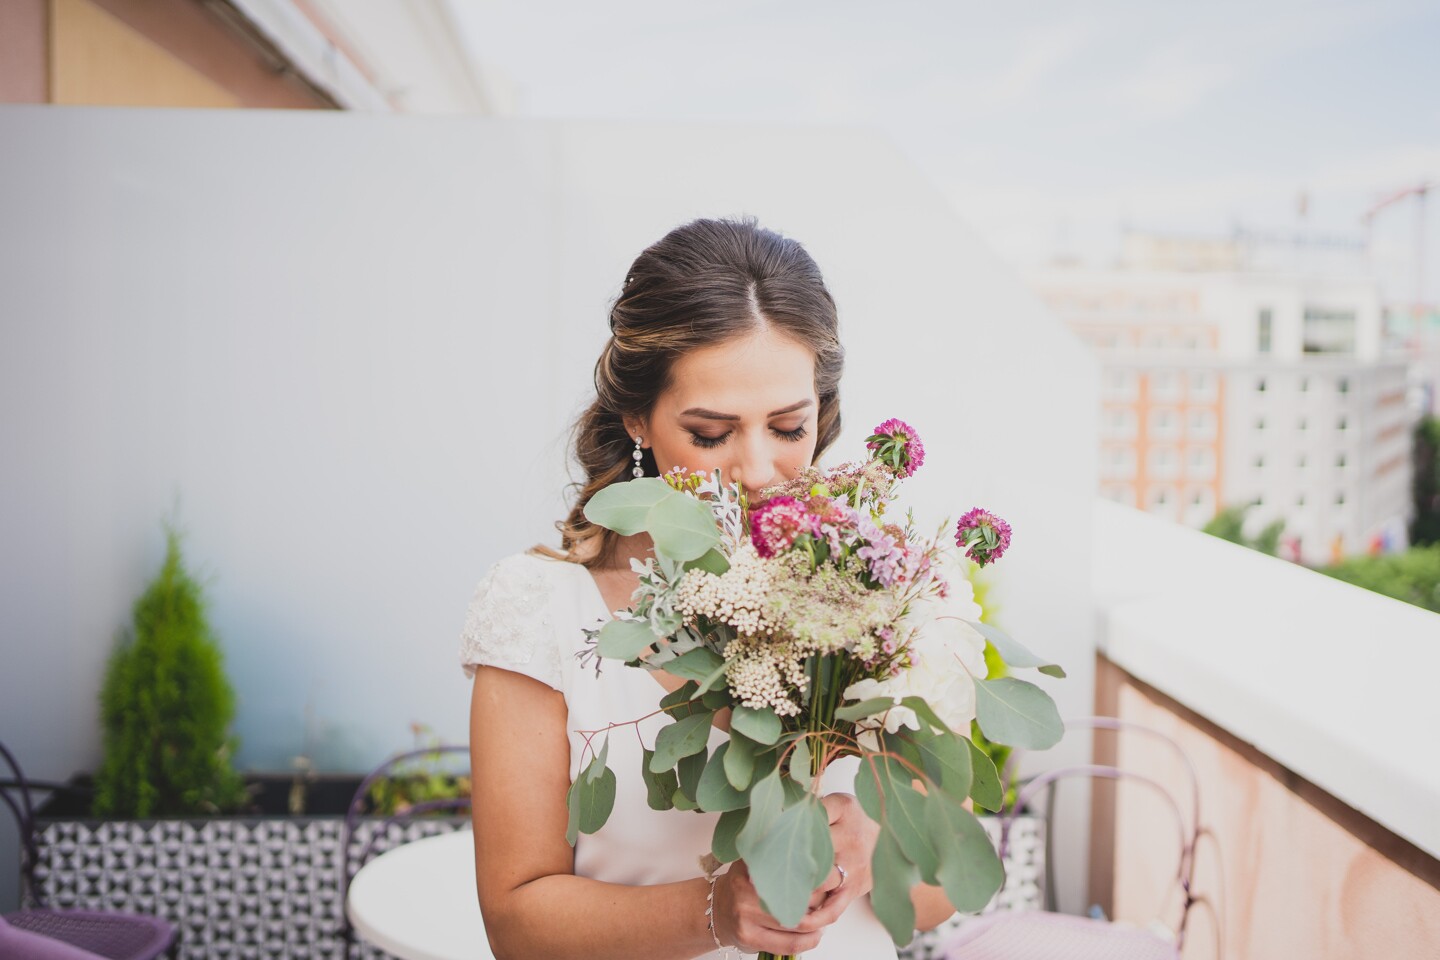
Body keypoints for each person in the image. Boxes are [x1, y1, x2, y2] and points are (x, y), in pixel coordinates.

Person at [460, 216, 959, 959]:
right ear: (638, 418)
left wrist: (871, 843)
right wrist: (716, 913)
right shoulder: (538, 609)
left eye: (788, 427)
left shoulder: (876, 590)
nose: (757, 470)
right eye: (710, 433)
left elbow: (943, 896)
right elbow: (516, 923)